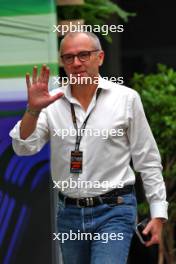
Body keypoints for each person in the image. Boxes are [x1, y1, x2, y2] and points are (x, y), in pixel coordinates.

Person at [10, 31, 168, 264]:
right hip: (69, 213)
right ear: (62, 63)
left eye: (84, 55)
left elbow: (147, 158)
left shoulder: (126, 99)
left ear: (100, 57)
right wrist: (32, 110)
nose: (76, 63)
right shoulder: (50, 102)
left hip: (115, 209)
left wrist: (158, 214)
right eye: (68, 57)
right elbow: (23, 147)